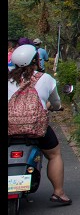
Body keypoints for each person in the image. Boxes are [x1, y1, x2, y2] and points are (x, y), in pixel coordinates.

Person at [8, 44, 72, 205]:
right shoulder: (46, 79)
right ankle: (58, 192)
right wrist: (54, 107)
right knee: (54, 154)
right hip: (36, 129)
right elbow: (56, 103)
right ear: (36, 61)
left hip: (9, 129)